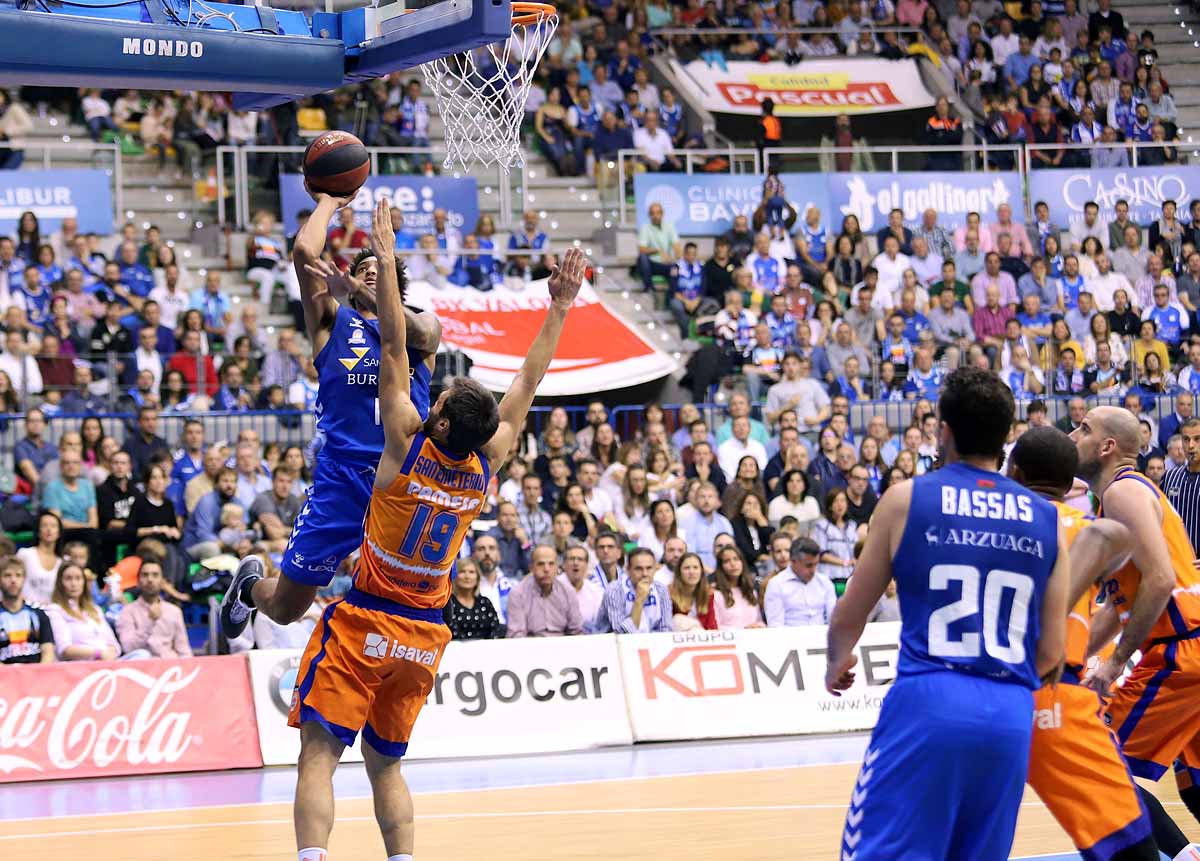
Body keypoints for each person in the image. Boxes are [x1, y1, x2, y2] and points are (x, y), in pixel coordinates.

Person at [221, 200, 587, 861]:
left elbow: (402, 337)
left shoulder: (411, 392)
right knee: (291, 615)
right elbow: (527, 382)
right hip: (384, 557)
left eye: (438, 402)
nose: (432, 398)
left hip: (384, 526)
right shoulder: (482, 459)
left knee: (323, 749)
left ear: (440, 422)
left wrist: (376, 272)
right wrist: (558, 306)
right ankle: (253, 587)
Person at [825, 367, 1068, 861]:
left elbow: (852, 609)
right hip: (1010, 713)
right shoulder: (1047, 519)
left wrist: (837, 659)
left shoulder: (905, 499)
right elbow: (1051, 652)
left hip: (929, 698)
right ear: (1006, 438)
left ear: (945, 430)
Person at [221, 184, 440, 629]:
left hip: (404, 480)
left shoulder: (423, 326)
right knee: (285, 610)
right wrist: (329, 199)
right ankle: (247, 587)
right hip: (341, 477)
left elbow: (420, 335)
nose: (373, 273)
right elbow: (304, 250)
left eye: (383, 269)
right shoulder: (333, 322)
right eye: (365, 268)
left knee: (415, 599)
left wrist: (370, 285)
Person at [1010, 427, 1160, 861]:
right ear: (1071, 483)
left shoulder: (977, 524)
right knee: (1127, 845)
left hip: (972, 693)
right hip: (1055, 697)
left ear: (1014, 472)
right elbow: (1140, 573)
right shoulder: (1093, 529)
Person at [1071, 405, 1200, 848]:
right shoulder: (1122, 497)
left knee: (1096, 765)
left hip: (1181, 654)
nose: (1072, 435)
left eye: (1083, 429)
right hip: (1191, 652)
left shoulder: (1123, 493)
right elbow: (1116, 607)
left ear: (1107, 447)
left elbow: (1162, 580)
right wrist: (1070, 658)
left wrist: (1114, 664)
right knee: (1195, 784)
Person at [114, 558, 192, 659]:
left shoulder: (174, 611)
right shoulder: (127, 612)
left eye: (155, 575)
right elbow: (128, 647)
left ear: (162, 582)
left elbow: (184, 650)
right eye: (145, 575)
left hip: (170, 668)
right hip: (142, 668)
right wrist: (150, 622)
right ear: (137, 581)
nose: (150, 579)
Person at [46, 563, 123, 661]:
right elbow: (64, 650)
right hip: (80, 665)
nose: (73, 583)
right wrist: (98, 654)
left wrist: (110, 653)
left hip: (107, 662)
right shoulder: (54, 610)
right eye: (68, 579)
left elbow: (114, 644)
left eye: (78, 578)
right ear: (60, 583)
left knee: (140, 655)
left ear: (84, 582)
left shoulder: (95, 609)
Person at [504, 545, 583, 637]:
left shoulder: (568, 592)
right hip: (530, 647)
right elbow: (517, 635)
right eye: (541, 564)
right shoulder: (518, 594)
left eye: (551, 564)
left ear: (557, 568)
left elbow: (576, 631)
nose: (546, 569)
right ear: (531, 568)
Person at [594, 546, 673, 633]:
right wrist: (639, 601)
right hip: (611, 643)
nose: (645, 574)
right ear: (628, 570)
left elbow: (666, 629)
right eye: (638, 569)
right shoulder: (614, 590)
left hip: (651, 643)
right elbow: (621, 634)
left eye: (649, 568)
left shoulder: (661, 589)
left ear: (655, 569)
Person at [0, 557, 55, 663]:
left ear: (24, 579)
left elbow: (48, 651)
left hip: (37, 676)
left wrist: (38, 675)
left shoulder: (39, 613)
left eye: (18, 575)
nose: (13, 580)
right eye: (7, 575)